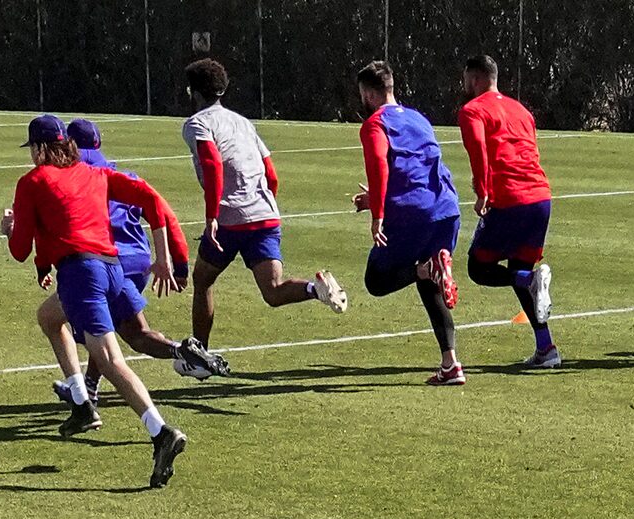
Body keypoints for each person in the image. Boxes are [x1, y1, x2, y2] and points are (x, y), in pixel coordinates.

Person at [6, 115, 192, 484]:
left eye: (32, 150)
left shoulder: (32, 181)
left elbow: (18, 249)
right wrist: (163, 256)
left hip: (81, 274)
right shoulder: (95, 175)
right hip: (112, 269)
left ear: (42, 149)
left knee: (109, 359)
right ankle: (81, 402)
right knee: (48, 317)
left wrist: (8, 230)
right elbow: (152, 200)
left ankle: (160, 432)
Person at [181, 59, 348, 354]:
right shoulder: (243, 122)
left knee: (202, 279)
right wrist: (263, 207)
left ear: (193, 93)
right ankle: (315, 288)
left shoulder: (197, 123)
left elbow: (211, 163)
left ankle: (201, 355)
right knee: (272, 290)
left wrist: (211, 216)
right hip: (265, 213)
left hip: (230, 217)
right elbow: (270, 173)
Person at [54, 117, 218, 405]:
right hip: (138, 263)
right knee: (107, 325)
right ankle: (88, 388)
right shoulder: (125, 176)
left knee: (133, 333)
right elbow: (164, 214)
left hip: (104, 264)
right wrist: (177, 264)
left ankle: (182, 352)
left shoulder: (74, 179)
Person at [350, 63, 468, 386]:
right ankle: (451, 365)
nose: (361, 100)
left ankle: (425, 267)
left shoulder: (374, 124)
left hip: (413, 213)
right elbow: (417, 166)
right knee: (430, 283)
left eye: (362, 95)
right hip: (446, 208)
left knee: (376, 279)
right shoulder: (418, 118)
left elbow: (378, 163)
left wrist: (378, 216)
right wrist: (376, 199)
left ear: (371, 94)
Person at [456, 55, 562, 368]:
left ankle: (529, 278)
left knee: (479, 267)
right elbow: (531, 150)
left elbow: (478, 150)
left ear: (475, 79)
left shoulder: (472, 110)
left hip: (510, 199)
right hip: (540, 198)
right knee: (519, 272)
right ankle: (547, 349)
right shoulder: (521, 110)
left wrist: (482, 191)